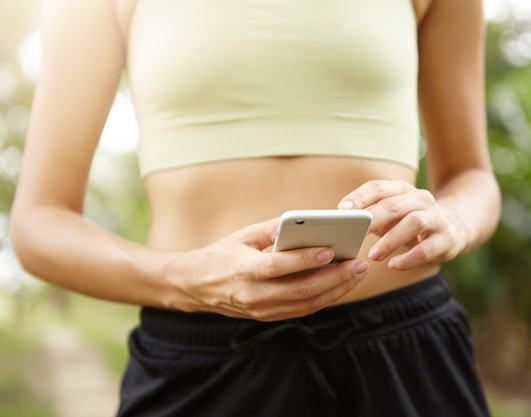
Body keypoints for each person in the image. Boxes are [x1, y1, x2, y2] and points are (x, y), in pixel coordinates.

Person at [10, 0, 501, 416]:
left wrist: (455, 219)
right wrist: (186, 279)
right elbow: (39, 222)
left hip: (405, 355)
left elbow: (471, 175)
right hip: (202, 364)